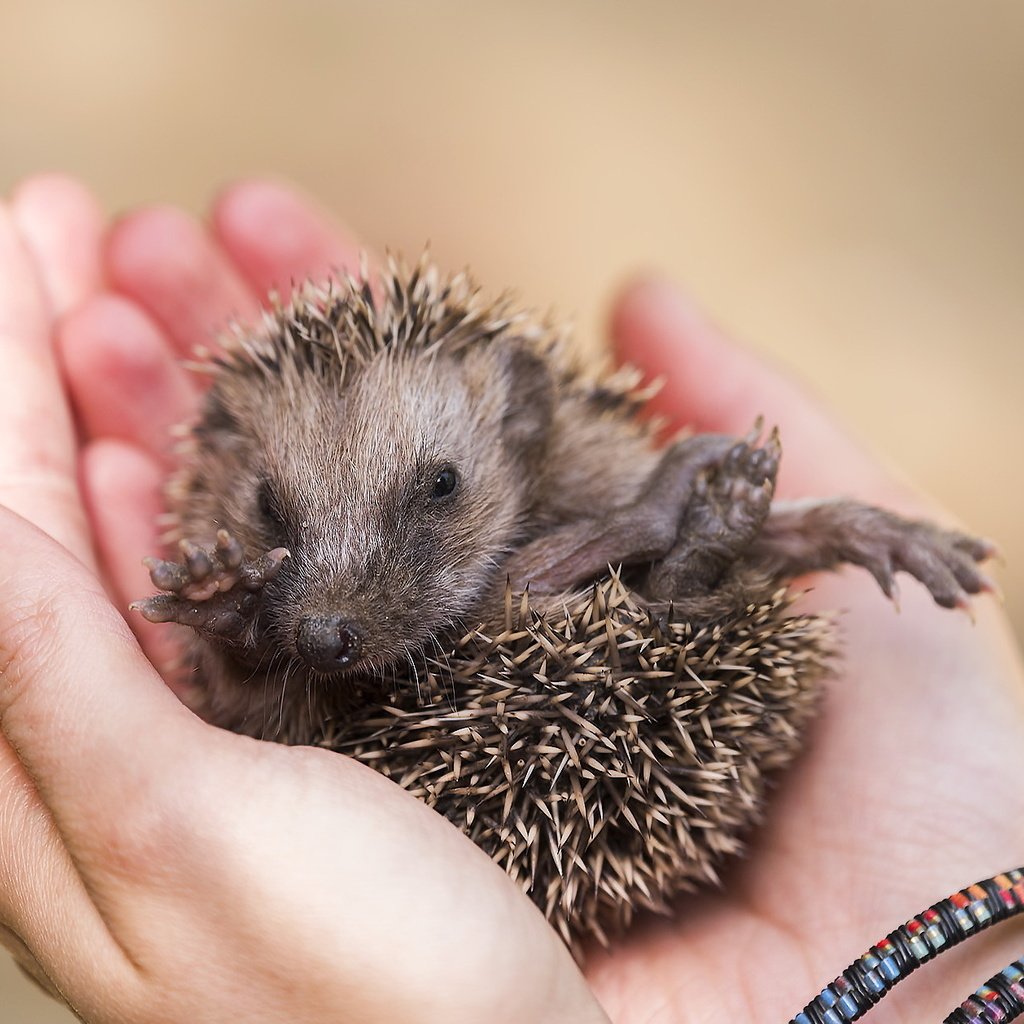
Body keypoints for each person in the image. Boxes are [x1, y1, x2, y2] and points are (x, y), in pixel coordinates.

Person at [0, 174, 1021, 1022]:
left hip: (623, 674)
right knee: (301, 687)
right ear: (230, 458)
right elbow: (265, 713)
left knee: (677, 610)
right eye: (279, 510)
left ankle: (662, 560)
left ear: (520, 418)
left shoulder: (561, 446)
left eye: (434, 493)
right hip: (423, 757)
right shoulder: (275, 561)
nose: (337, 610)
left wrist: (835, 528)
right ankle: (662, 553)